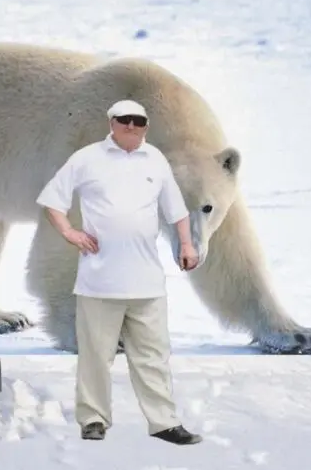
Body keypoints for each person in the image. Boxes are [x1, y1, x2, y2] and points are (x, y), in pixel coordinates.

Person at [35, 99, 202, 444]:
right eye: (124, 120)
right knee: (95, 357)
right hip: (99, 281)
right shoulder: (87, 158)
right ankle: (93, 420)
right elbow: (53, 199)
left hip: (147, 282)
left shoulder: (155, 159)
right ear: (110, 122)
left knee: (153, 357)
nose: (131, 126)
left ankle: (164, 423)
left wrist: (187, 245)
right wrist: (69, 232)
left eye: (138, 121)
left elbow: (177, 210)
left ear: (146, 126)